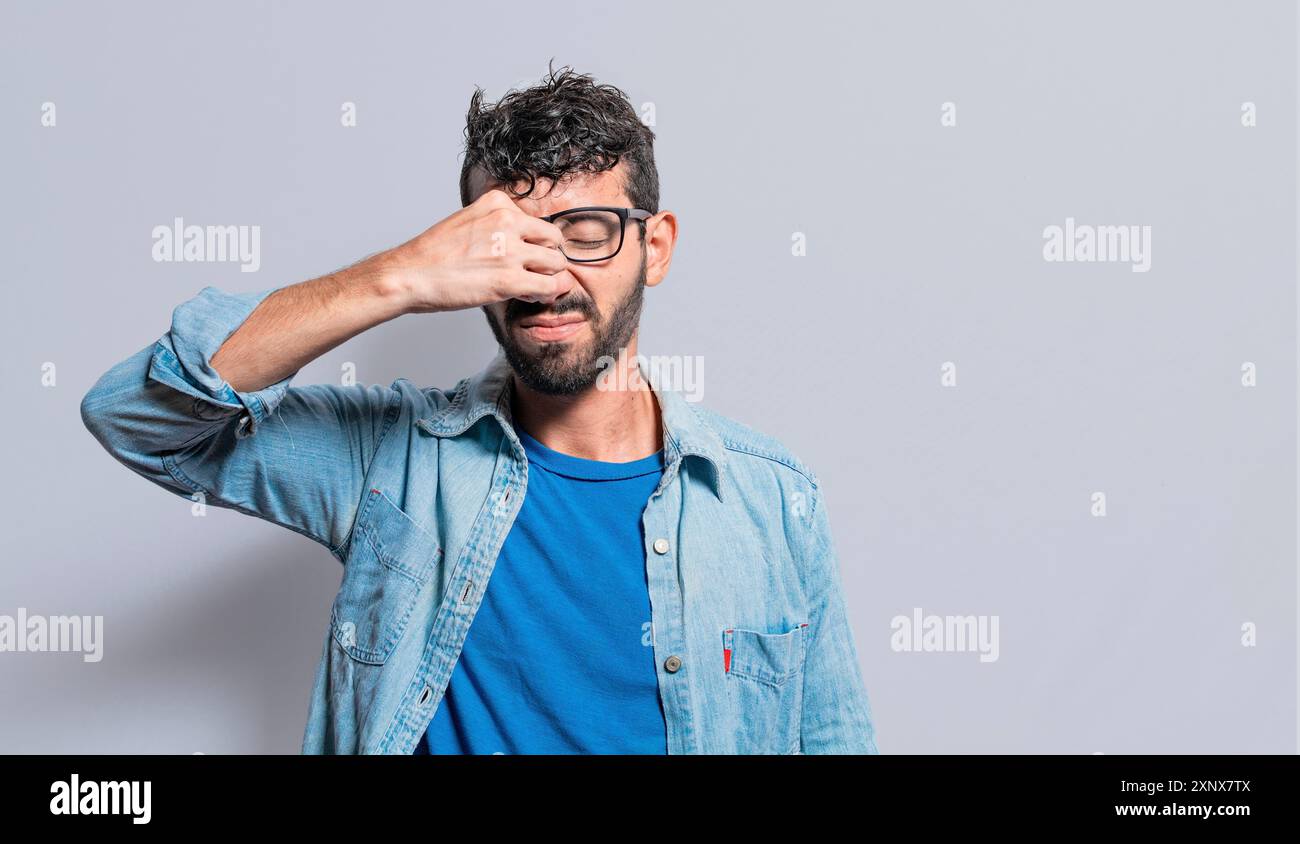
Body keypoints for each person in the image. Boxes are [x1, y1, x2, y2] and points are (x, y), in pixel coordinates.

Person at [79, 64, 879, 755]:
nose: (544, 277)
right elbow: (137, 418)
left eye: (587, 231)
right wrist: (395, 278)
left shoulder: (774, 501)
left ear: (656, 247)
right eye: (508, 242)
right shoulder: (390, 461)